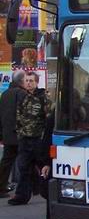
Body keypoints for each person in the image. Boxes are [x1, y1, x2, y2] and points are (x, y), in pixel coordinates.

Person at [41, 114, 88, 219]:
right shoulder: (55, 117)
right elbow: (46, 140)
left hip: (69, 160)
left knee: (69, 196)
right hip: (57, 162)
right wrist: (46, 162)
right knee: (54, 199)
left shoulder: (72, 115)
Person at [8, 72, 50, 205]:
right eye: (26, 81)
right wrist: (20, 133)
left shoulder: (43, 97)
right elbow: (19, 116)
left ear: (36, 82)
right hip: (25, 138)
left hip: (38, 138)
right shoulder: (23, 97)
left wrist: (44, 137)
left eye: (31, 81)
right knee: (23, 167)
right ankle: (21, 196)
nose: (29, 83)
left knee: (43, 166)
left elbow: (48, 118)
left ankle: (48, 192)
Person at [0, 71, 25, 196]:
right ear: (21, 81)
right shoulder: (21, 93)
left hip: (7, 133)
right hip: (19, 133)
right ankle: (33, 186)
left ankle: (1, 186)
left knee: (6, 161)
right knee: (29, 159)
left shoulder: (4, 94)